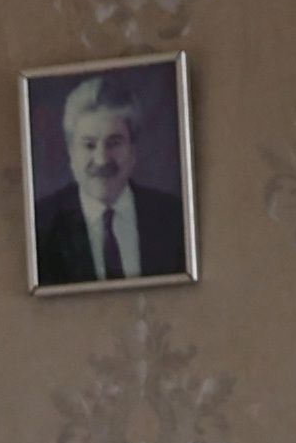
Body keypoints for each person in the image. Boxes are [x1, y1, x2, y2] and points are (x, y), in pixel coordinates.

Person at [33, 74, 189, 287]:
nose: (102, 159)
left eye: (114, 143)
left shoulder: (173, 218)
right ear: (71, 152)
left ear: (133, 149)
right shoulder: (40, 226)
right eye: (89, 145)